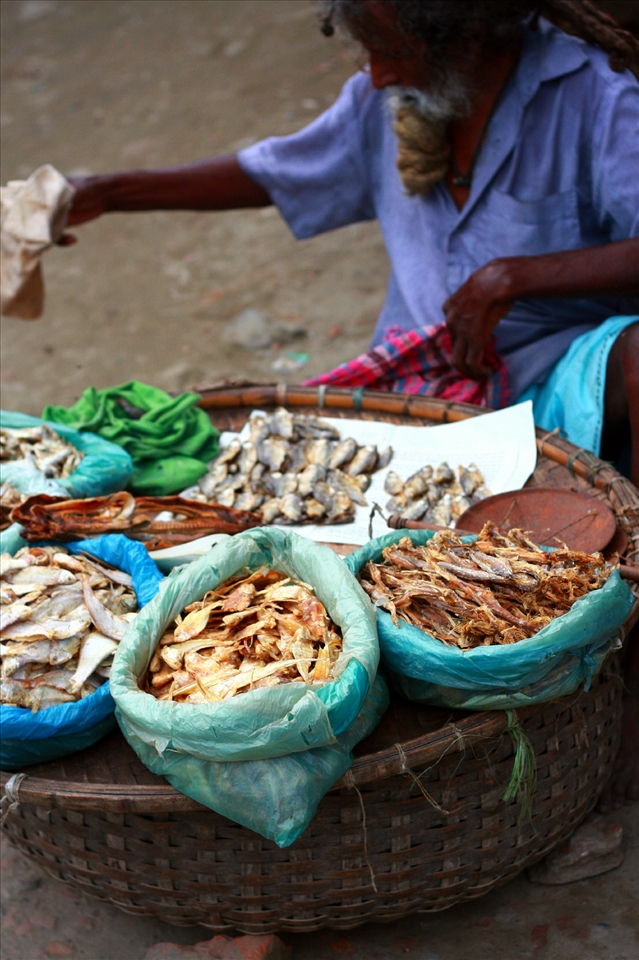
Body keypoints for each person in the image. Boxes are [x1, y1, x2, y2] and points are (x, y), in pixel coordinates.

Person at [64, 0, 638, 808]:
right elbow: (273, 169)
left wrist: (519, 277)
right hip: (412, 390)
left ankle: (628, 680)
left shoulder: (594, 95)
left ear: (468, 34)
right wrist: (105, 191)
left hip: (553, 375)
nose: (373, 75)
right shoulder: (393, 98)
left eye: (391, 52)